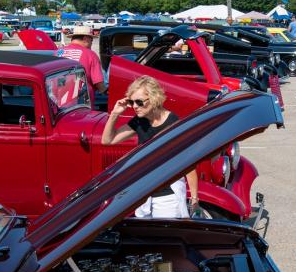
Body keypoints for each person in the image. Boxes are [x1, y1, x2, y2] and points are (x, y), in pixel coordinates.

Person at [101, 75, 199, 218]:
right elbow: (107, 140)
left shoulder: (173, 123)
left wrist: (195, 199)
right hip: (143, 195)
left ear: (153, 98)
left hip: (168, 197)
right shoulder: (139, 122)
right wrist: (115, 114)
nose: (134, 106)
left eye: (139, 102)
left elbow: (188, 164)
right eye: (131, 102)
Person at [57, 25, 106, 105]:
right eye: (91, 41)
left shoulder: (58, 52)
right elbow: (99, 83)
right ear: (85, 39)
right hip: (81, 101)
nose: (91, 44)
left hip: (58, 99)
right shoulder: (90, 54)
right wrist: (106, 92)